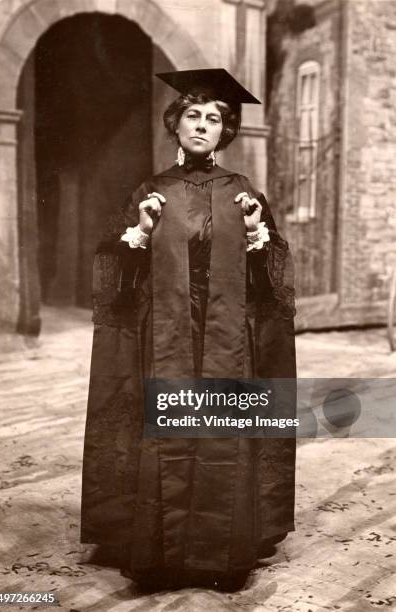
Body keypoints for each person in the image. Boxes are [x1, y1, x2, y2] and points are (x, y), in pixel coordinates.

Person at [81, 69, 296, 591]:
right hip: (167, 334)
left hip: (227, 334)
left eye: (214, 118)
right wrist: (142, 232)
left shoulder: (244, 192)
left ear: (227, 131)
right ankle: (158, 554)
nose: (202, 126)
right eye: (193, 116)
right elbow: (114, 280)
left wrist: (255, 235)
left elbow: (273, 283)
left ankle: (221, 555)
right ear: (174, 125)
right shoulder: (150, 190)